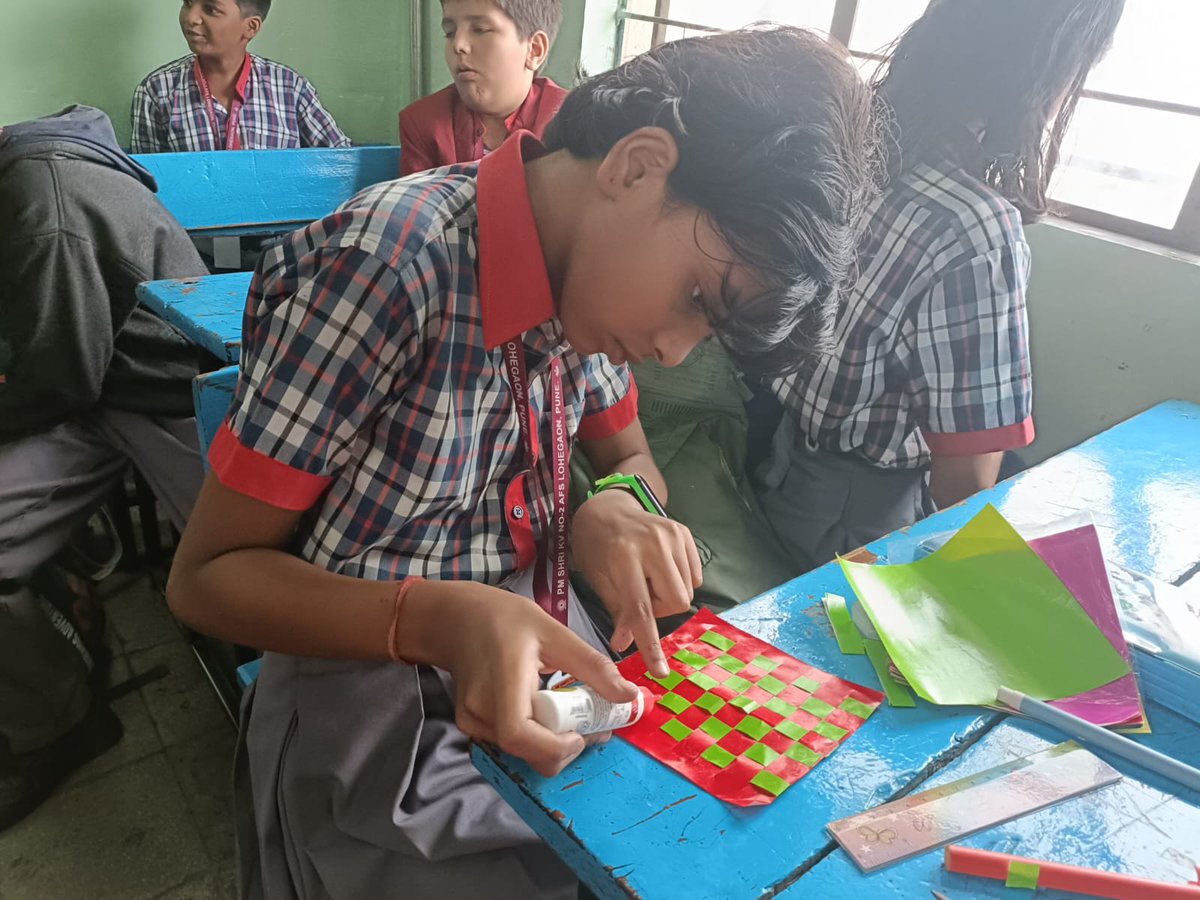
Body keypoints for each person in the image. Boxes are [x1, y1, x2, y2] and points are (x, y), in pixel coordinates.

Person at [166, 26, 876, 898]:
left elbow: (634, 460)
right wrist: (435, 622)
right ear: (638, 165)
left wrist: (615, 504)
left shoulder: (591, 281)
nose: (672, 350)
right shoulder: (391, 265)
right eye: (697, 300)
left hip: (543, 684)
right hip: (376, 724)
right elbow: (206, 578)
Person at [753, 0, 1126, 571]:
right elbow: (966, 486)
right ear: (1042, 73)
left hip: (776, 467)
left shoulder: (846, 145)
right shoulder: (974, 227)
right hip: (860, 525)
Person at [0, 106, 211, 830]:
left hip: (165, 394)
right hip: (100, 392)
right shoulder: (23, 172)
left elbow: (62, 376)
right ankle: (55, 719)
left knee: (243, 568)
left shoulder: (38, 200)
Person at [131, 0, 350, 153]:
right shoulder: (157, 91)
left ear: (251, 27)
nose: (192, 18)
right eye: (188, 2)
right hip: (187, 220)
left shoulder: (290, 88)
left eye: (211, 8)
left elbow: (342, 163)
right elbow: (145, 187)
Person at [397, 0, 567, 175]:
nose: (458, 45)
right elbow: (416, 200)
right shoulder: (423, 123)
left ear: (534, 50)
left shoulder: (572, 122)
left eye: (480, 29)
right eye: (450, 33)